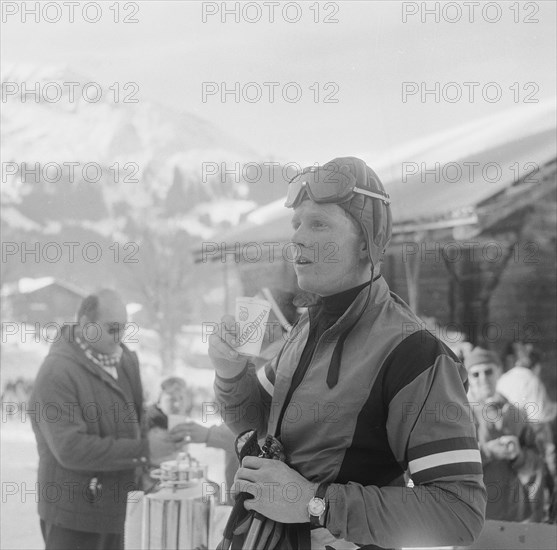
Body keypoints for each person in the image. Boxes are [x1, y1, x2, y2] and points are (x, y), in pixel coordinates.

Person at [209, 157, 486, 549]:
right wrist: (230, 373)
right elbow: (254, 422)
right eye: (297, 223)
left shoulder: (413, 353)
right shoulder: (307, 327)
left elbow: (458, 514)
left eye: (318, 223)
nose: (298, 238)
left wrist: (314, 502)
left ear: (366, 242)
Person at [29, 289, 178, 550]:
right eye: (112, 328)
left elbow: (133, 416)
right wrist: (144, 450)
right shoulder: (57, 372)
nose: (119, 337)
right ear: (87, 325)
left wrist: (161, 427)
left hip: (118, 509)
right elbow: (70, 449)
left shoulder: (125, 360)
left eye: (124, 329)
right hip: (74, 518)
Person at [465, 347, 545, 522]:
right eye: (475, 374)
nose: (483, 379)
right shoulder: (460, 414)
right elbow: (451, 461)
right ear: (467, 378)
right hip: (472, 514)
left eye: (488, 371)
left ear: (499, 371)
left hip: (511, 515)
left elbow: (536, 464)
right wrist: (488, 452)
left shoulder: (515, 414)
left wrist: (519, 455)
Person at [146, 376, 237, 502]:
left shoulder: (183, 423)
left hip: (179, 479)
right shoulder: (147, 424)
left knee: (214, 491)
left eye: (181, 398)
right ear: (159, 402)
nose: (177, 404)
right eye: (171, 399)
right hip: (155, 483)